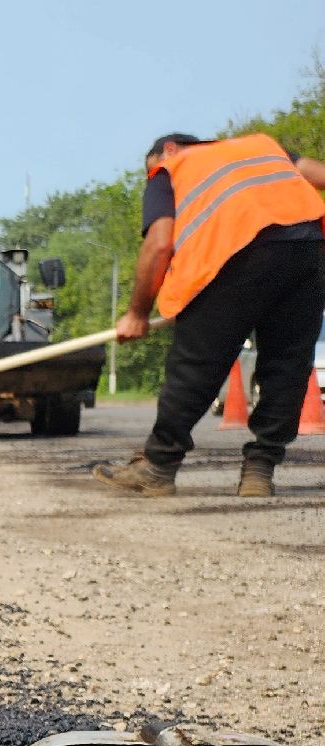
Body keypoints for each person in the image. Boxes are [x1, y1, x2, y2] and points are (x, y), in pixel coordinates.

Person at [95, 132, 325, 497]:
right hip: (305, 249)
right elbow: (321, 175)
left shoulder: (170, 169)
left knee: (196, 365)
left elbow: (158, 243)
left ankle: (158, 467)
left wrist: (137, 313)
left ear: (168, 150)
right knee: (288, 365)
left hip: (230, 259)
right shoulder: (263, 147)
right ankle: (259, 471)